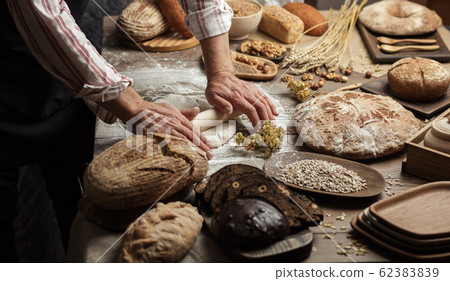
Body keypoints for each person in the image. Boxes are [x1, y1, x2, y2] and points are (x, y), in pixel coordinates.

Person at [0, 0, 277, 261]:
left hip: (72, 78)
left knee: (86, 207)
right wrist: (132, 105)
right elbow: (40, 12)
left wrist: (222, 72)